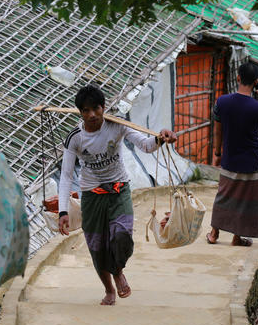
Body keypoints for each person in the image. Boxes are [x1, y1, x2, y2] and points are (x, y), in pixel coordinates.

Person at [57, 84, 177, 306]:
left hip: (119, 190)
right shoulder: (75, 138)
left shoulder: (117, 126)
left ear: (104, 107)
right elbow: (65, 176)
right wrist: (62, 210)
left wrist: (161, 138)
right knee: (97, 246)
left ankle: (118, 271)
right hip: (92, 196)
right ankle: (109, 289)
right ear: (80, 113)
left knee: (121, 235)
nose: (92, 115)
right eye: (86, 110)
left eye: (96, 108)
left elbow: (146, 145)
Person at [206, 61, 258, 247]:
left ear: (238, 78)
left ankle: (214, 233)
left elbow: (218, 130)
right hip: (250, 160)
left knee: (224, 195)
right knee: (246, 200)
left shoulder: (222, 101)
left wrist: (217, 152)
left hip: (230, 157)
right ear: (255, 83)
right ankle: (237, 237)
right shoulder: (257, 107)